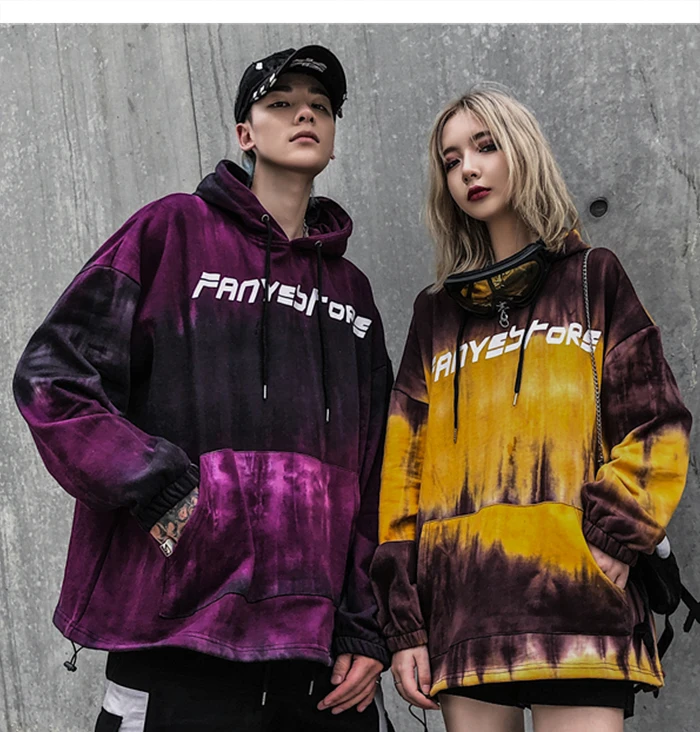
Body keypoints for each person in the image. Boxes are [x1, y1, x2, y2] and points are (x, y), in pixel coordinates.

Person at [14, 45, 395, 732]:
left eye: (320, 105)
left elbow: (378, 467)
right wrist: (167, 492)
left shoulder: (352, 294)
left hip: (317, 657)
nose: (304, 114)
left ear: (334, 138)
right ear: (245, 133)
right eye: (281, 103)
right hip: (179, 634)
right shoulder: (172, 233)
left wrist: (367, 628)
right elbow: (54, 378)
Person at [370, 87, 692, 732]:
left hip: (576, 604)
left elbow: (655, 422)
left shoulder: (592, 278)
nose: (468, 168)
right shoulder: (435, 314)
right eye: (452, 159)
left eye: (486, 146)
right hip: (464, 611)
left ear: (523, 151)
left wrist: (613, 535)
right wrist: (405, 625)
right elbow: (403, 478)